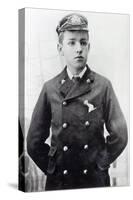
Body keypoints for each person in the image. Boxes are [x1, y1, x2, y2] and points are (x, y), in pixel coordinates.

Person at [27, 13, 128, 191]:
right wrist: (53, 168)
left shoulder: (103, 86)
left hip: (94, 181)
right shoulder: (50, 88)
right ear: (60, 49)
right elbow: (33, 143)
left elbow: (120, 135)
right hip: (60, 182)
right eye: (71, 42)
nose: (78, 48)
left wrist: (100, 163)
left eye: (83, 42)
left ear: (89, 46)